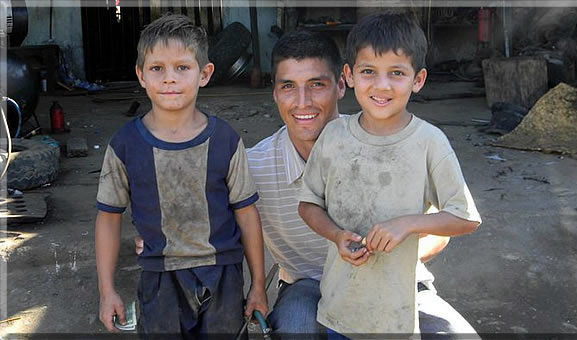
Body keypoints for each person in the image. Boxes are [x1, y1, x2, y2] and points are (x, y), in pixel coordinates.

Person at [135, 29, 480, 338]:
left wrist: (388, 257)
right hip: (306, 283)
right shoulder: (252, 165)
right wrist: (165, 232)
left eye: (316, 85)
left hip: (398, 283)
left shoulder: (394, 143)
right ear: (274, 94)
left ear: (342, 84)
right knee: (298, 327)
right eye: (288, 87)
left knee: (455, 334)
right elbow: (207, 215)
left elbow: (443, 224)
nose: (302, 103)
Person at [297, 12, 482, 339]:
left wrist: (408, 223)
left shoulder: (429, 142)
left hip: (396, 318)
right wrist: (337, 236)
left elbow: (465, 218)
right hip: (338, 310)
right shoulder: (334, 136)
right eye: (368, 71)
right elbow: (308, 204)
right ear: (349, 75)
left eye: (396, 73)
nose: (381, 85)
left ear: (418, 79)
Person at [95, 14, 268, 337]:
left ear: (205, 74)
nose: (169, 79)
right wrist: (107, 291)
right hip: (159, 275)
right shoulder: (125, 145)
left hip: (223, 274)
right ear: (141, 75)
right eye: (157, 68)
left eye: (182, 67)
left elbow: (246, 213)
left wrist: (258, 285)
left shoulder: (226, 140)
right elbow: (108, 216)